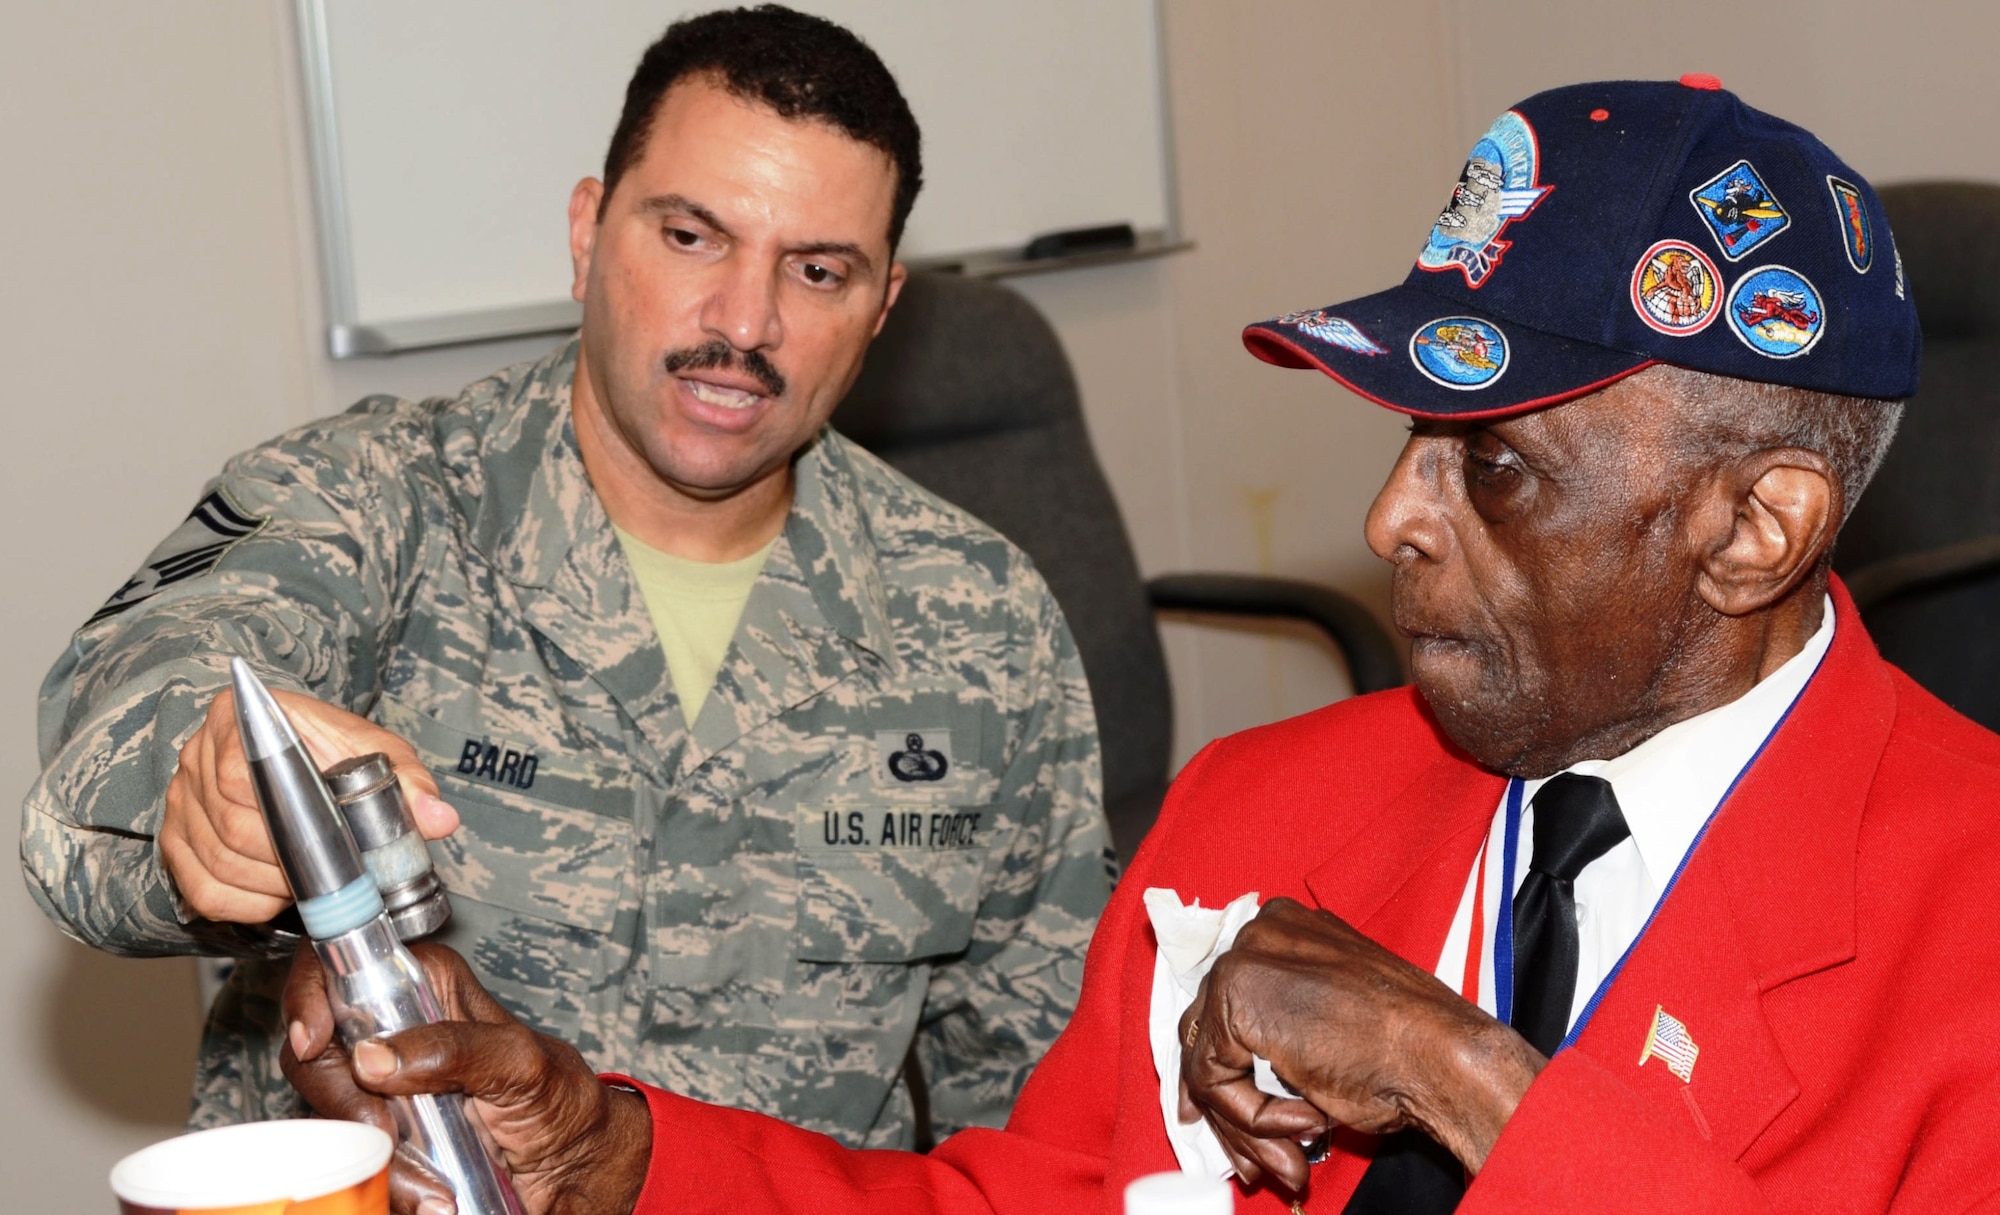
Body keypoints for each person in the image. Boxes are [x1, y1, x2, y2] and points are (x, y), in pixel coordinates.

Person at [282, 76, 2000, 1214]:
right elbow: (1036, 1199)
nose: (1399, 518)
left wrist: (1456, 1073)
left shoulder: (1968, 909)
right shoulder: (1266, 806)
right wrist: (613, 1147)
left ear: (1754, 528)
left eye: (1495, 467)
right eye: (1404, 438)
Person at [20, 5, 1111, 1149]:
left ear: (881, 305)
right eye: (690, 237)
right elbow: (129, 723)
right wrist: (206, 774)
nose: (745, 322)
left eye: (818, 271)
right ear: (588, 233)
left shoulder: (981, 618)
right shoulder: (375, 498)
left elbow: (1049, 1097)